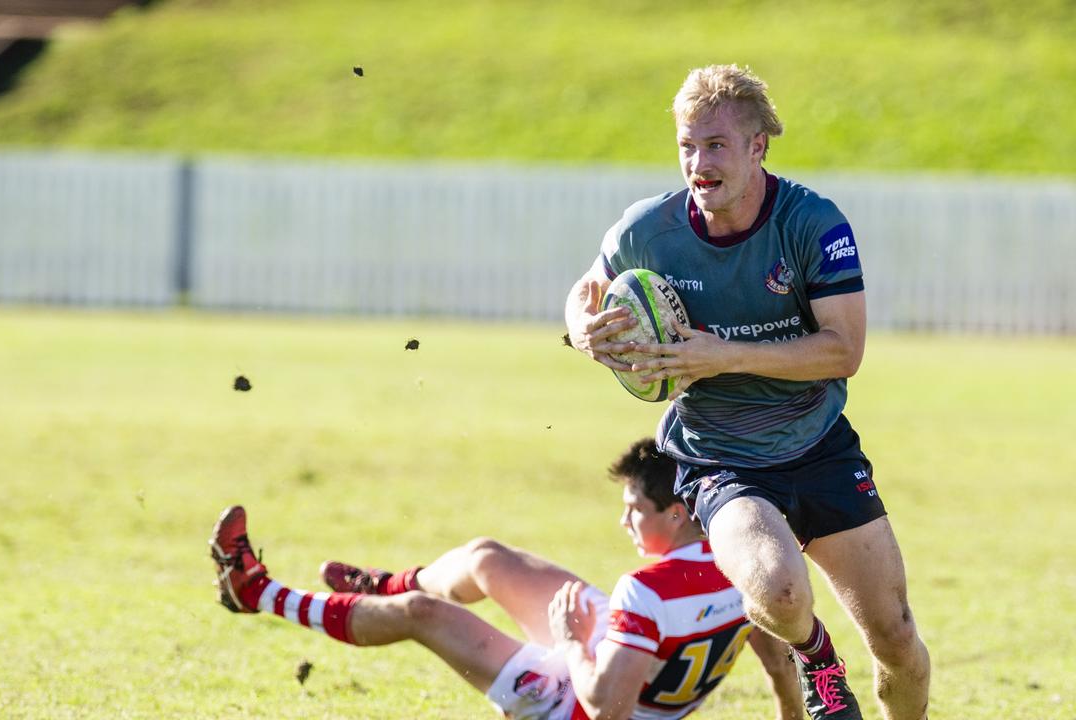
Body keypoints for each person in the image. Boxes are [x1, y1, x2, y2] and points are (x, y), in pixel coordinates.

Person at [564, 65, 930, 720]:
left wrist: (721, 355)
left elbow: (844, 351)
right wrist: (583, 331)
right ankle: (817, 659)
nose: (697, 163)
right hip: (718, 460)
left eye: (716, 145)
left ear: (758, 146)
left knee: (899, 642)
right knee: (780, 593)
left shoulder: (811, 223)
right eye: (686, 145)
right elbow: (585, 291)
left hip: (818, 446)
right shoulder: (649, 231)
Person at [210, 438, 803, 719]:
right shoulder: (741, 564)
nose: (623, 518)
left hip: (579, 704)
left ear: (676, 515)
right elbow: (777, 661)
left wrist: (571, 641)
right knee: (487, 557)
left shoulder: (644, 591)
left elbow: (605, 709)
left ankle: (256, 591)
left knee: (424, 614)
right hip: (627, 654)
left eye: (634, 509)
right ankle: (385, 587)